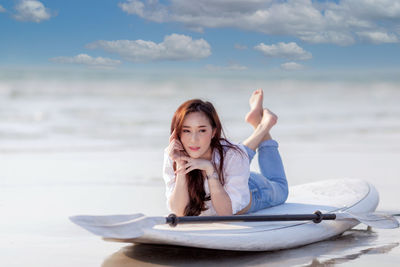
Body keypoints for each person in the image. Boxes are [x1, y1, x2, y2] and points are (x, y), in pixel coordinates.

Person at [163, 89, 288, 216]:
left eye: (202, 130)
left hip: (254, 189)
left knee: (281, 188)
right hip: (232, 169)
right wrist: (181, 167)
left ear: (213, 132)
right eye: (186, 131)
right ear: (177, 132)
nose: (194, 140)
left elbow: (225, 213)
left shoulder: (232, 155)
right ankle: (260, 124)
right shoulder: (174, 154)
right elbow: (179, 212)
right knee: (236, 155)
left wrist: (210, 170)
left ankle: (263, 126)